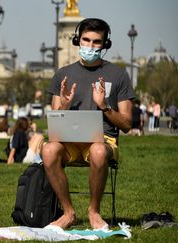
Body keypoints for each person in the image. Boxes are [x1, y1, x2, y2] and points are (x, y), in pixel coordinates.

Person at [42, 18, 135, 230]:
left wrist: (104, 107)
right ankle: (68, 213)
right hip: (69, 143)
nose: (90, 46)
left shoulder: (118, 75)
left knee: (99, 151)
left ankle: (94, 212)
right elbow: (54, 119)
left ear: (105, 45)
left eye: (96, 42)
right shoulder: (62, 74)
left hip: (103, 141)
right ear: (77, 40)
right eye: (86, 40)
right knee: (48, 150)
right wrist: (64, 105)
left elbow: (127, 124)